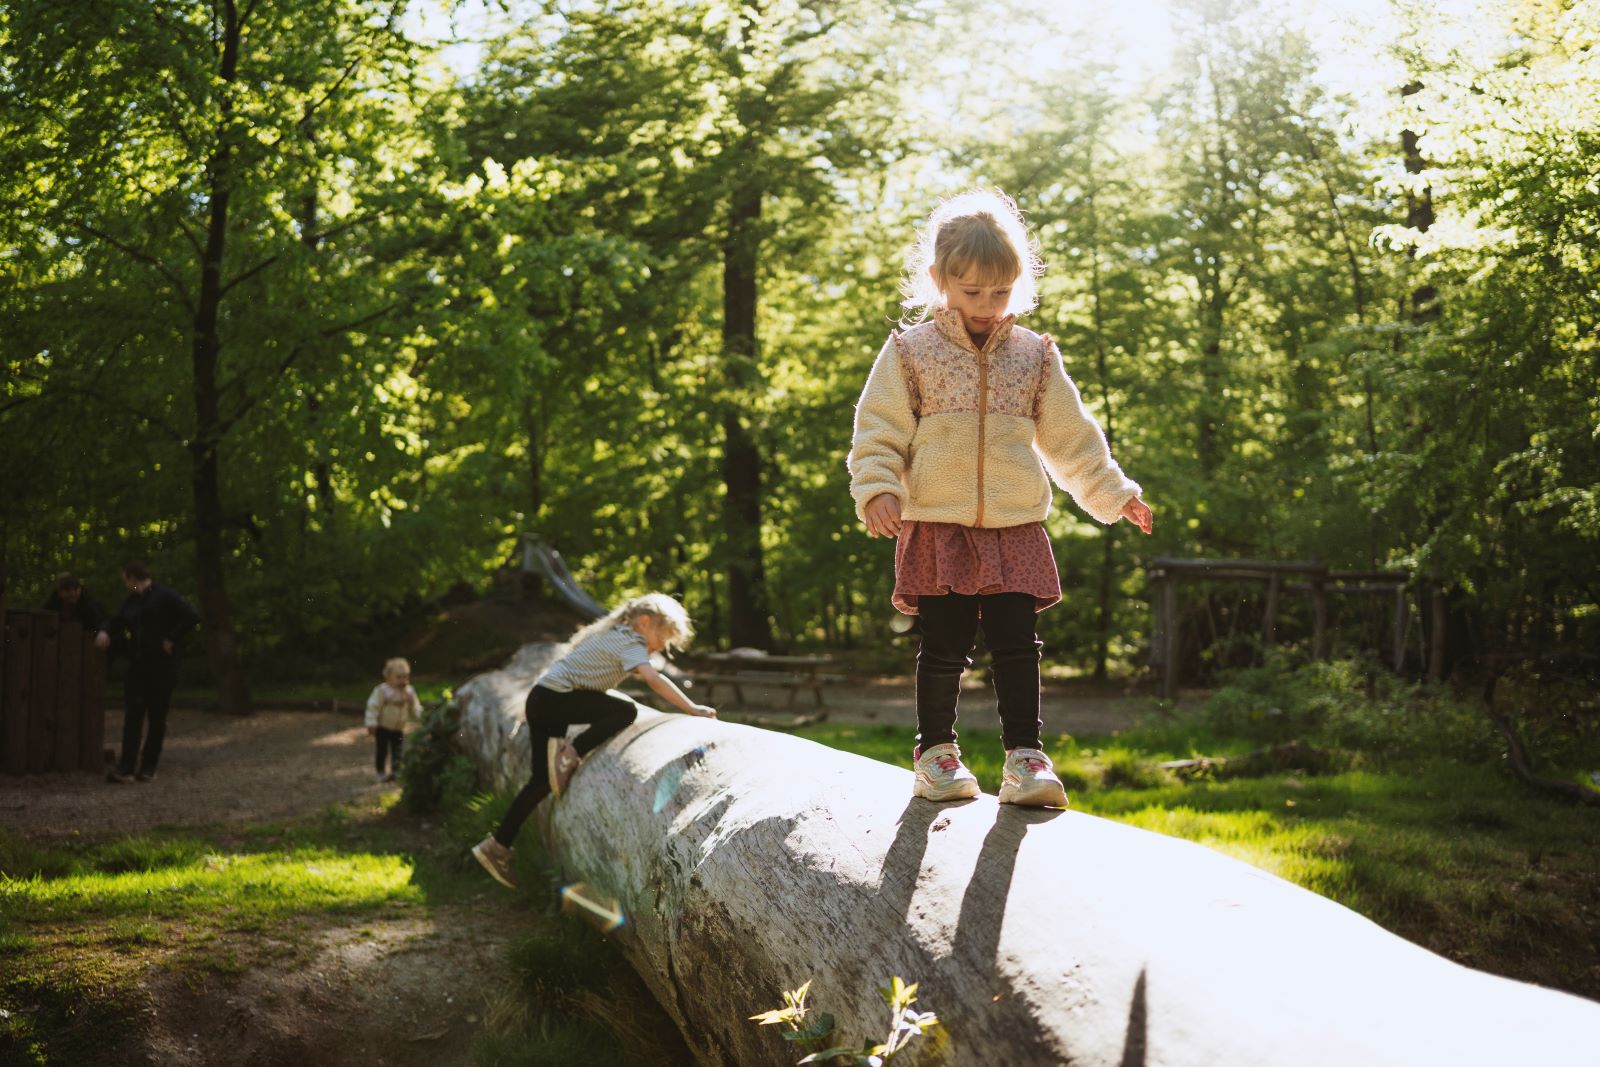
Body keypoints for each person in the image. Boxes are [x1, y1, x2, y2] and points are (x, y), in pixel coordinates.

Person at [847, 189, 1154, 808]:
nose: (987, 306)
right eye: (971, 292)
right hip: (938, 525)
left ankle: (1025, 760)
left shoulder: (1035, 356)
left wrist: (1113, 492)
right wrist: (878, 489)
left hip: (1014, 525)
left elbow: (1072, 440)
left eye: (1000, 292)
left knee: (1018, 644)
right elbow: (879, 430)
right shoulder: (911, 353)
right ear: (939, 282)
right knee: (944, 647)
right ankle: (936, 754)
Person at [472, 593, 716, 889]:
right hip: (554, 701)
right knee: (624, 710)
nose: (662, 647)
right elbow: (652, 679)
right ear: (644, 622)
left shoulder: (612, 634)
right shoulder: (631, 640)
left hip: (542, 698)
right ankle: (572, 752)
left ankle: (497, 845)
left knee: (540, 782)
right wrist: (692, 708)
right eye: (663, 638)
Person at [94, 560, 200, 783]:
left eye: (126, 581)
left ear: (133, 578)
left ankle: (149, 766)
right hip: (138, 665)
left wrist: (172, 637)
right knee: (133, 716)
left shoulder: (165, 595)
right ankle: (126, 767)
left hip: (162, 667)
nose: (126, 586)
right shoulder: (131, 602)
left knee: (157, 717)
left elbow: (191, 615)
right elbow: (116, 620)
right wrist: (104, 631)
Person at [365, 657, 422, 784]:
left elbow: (415, 709)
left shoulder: (409, 692)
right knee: (382, 750)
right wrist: (371, 723)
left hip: (399, 728)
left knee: (398, 751)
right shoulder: (382, 691)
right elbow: (373, 707)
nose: (403, 681)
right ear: (388, 677)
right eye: (399, 677)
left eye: (406, 677)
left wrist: (421, 717)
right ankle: (380, 772)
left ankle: (396, 772)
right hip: (383, 727)